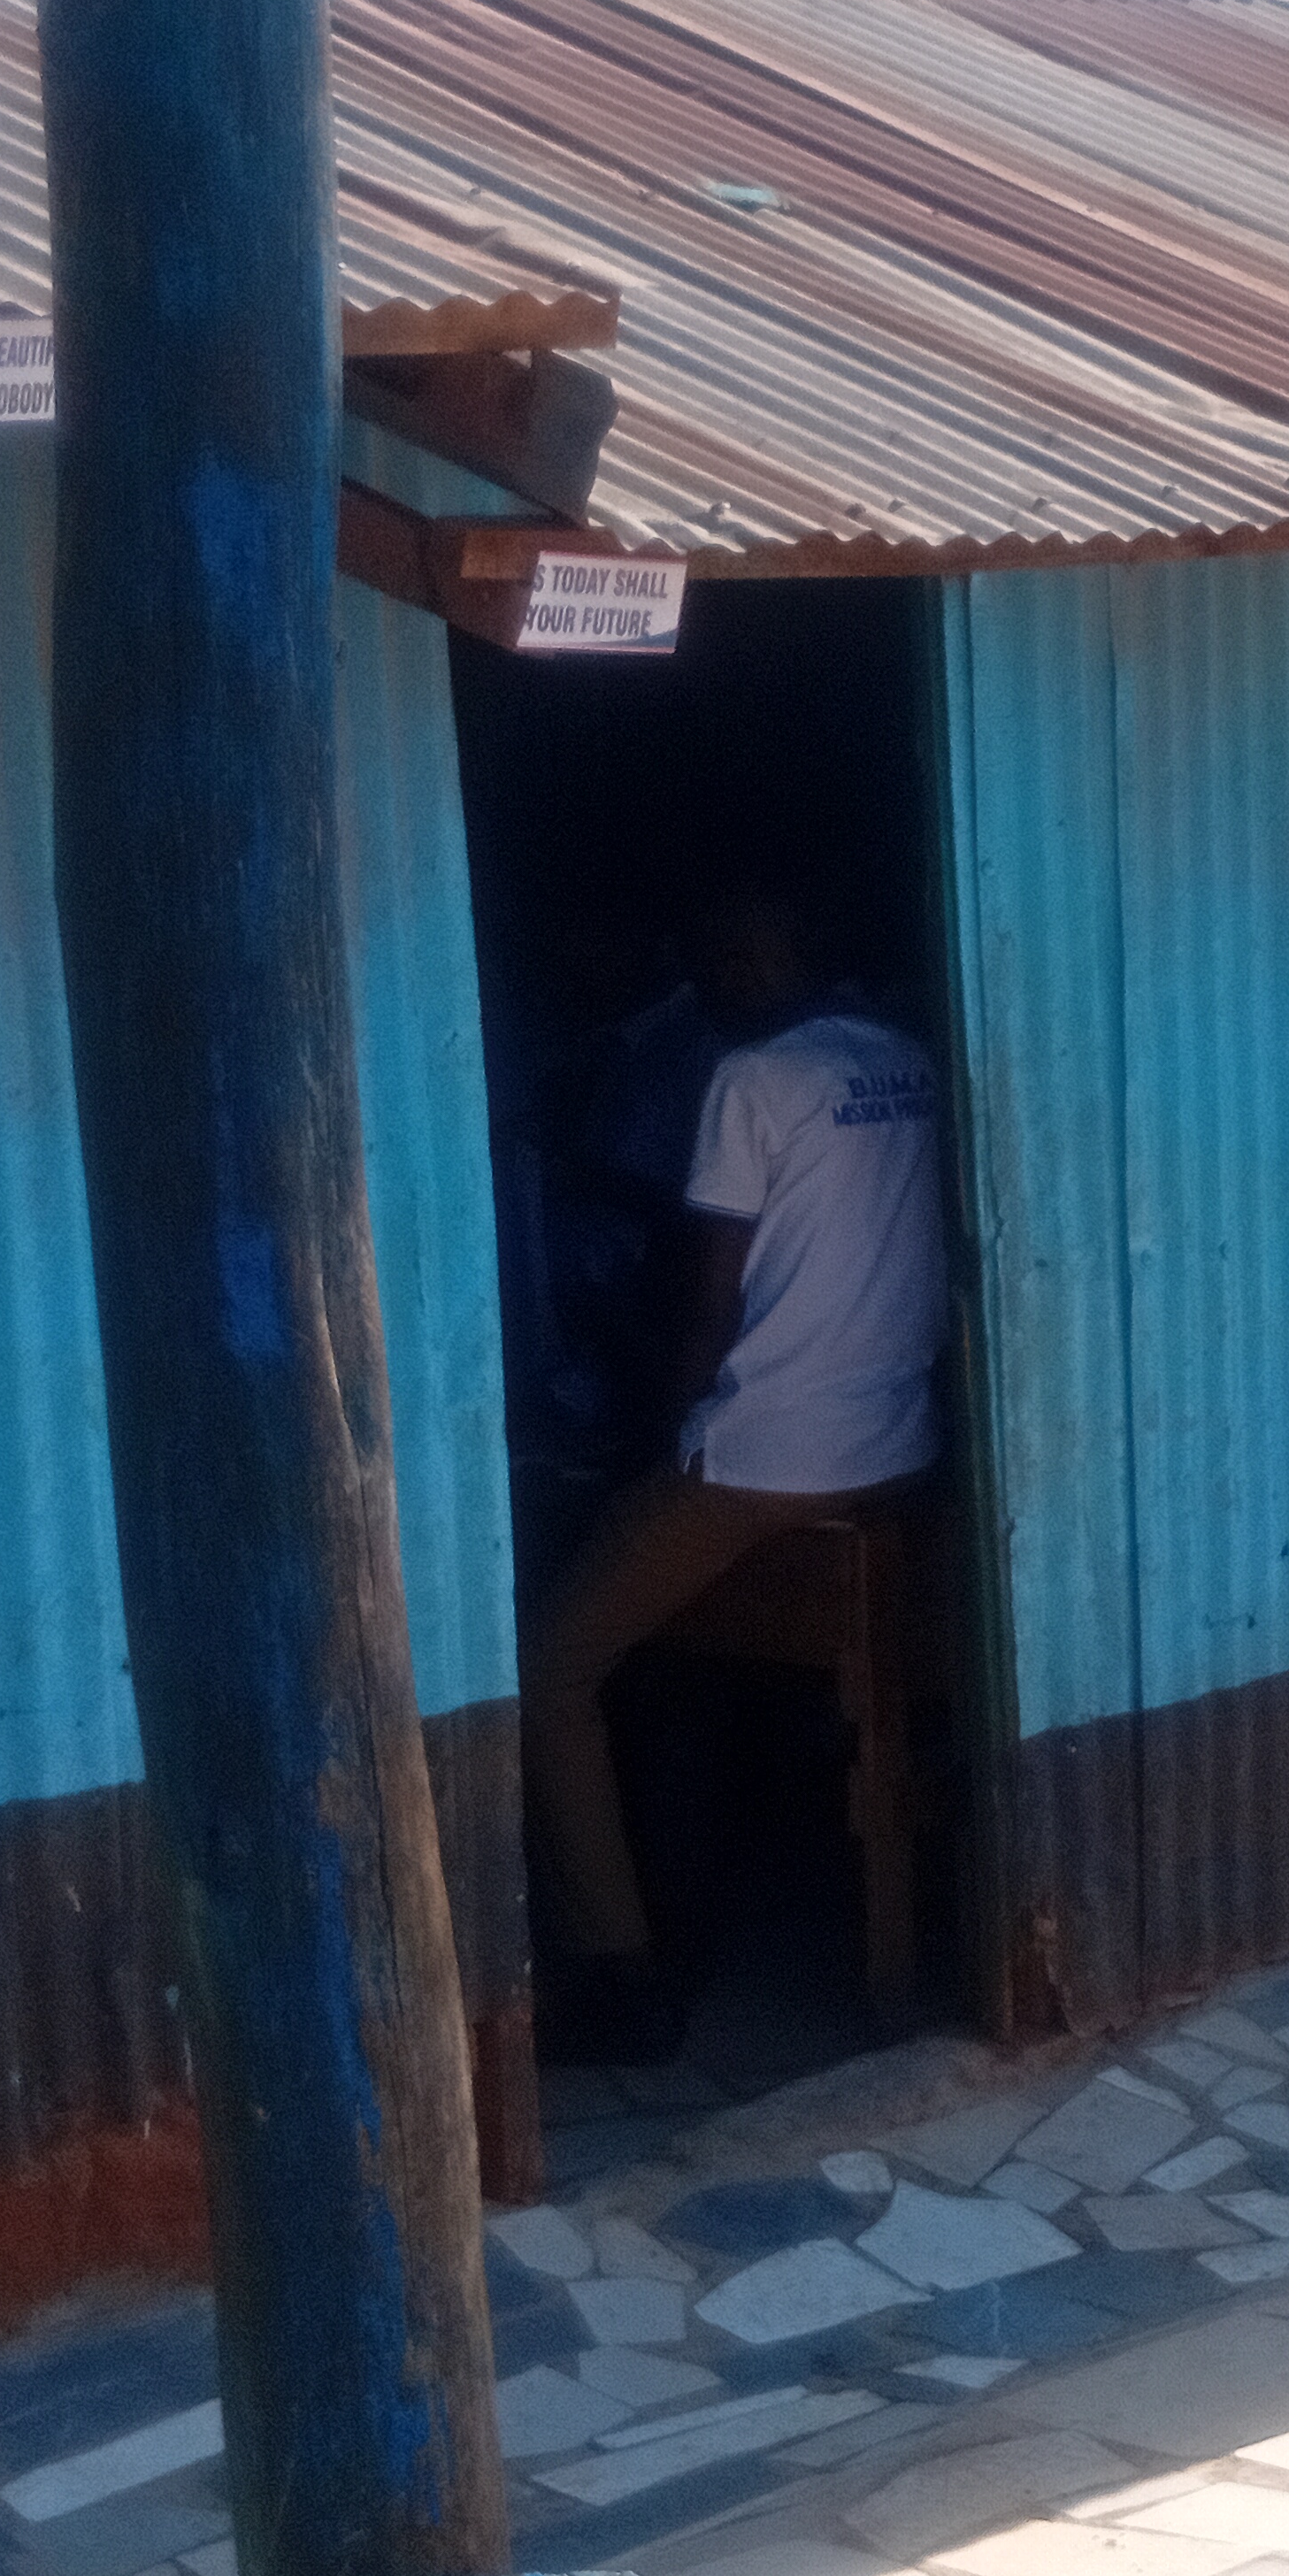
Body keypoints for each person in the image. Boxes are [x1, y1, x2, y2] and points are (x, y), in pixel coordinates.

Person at [521, 885, 948, 2066]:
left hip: (770, 1454)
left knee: (548, 1670)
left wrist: (657, 1442)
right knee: (678, 1669)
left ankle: (620, 1976)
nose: (711, 977)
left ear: (776, 956)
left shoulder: (749, 1081)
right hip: (895, 1442)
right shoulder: (904, 1059)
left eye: (729, 950)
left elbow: (710, 1304)